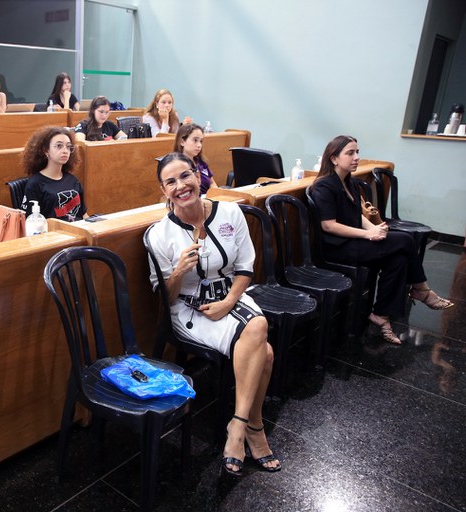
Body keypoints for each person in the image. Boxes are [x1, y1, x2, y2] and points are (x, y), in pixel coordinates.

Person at [145, 151, 279, 476]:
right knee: (265, 351)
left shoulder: (230, 212)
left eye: (185, 176)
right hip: (190, 308)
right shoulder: (159, 234)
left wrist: (229, 301)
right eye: (171, 182)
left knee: (258, 330)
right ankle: (254, 427)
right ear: (164, 190)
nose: (181, 186)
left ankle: (239, 425)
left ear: (197, 175)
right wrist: (178, 271)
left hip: (232, 296)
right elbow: (165, 297)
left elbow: (246, 267)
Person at [310, 135, 453, 345]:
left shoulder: (349, 182)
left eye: (357, 152)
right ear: (334, 158)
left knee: (398, 260)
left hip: (353, 242)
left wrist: (373, 228)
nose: (356, 157)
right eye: (350, 153)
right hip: (337, 248)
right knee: (405, 240)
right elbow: (328, 225)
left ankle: (381, 315)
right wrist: (367, 234)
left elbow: (356, 214)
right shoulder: (324, 186)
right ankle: (422, 290)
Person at [20, 126, 87, 222]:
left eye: (68, 147)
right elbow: (30, 222)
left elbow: (84, 215)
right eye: (59, 146)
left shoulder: (73, 180)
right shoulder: (35, 184)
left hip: (78, 228)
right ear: (46, 150)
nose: (65, 151)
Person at [174, 123, 219, 194]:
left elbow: (212, 183)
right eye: (195, 140)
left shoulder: (201, 162)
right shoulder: (176, 166)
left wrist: (215, 194)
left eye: (201, 141)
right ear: (182, 142)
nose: (199, 145)